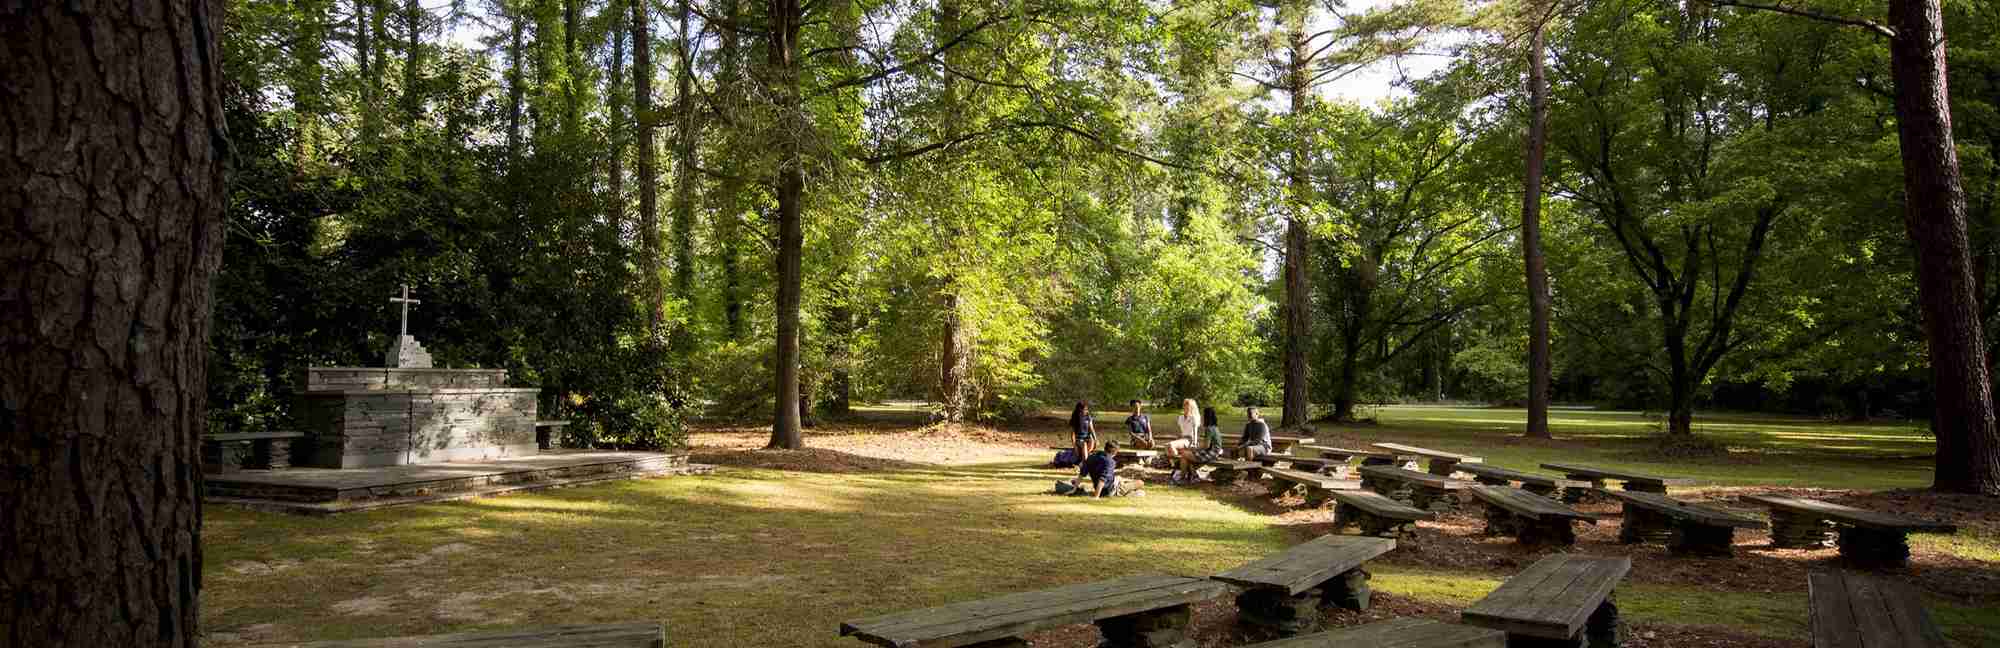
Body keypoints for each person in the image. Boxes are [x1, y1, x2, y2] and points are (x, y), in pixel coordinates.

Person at [1163, 399, 1200, 483]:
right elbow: (1180, 431)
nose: (1185, 407)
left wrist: (1194, 443)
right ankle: (1176, 464)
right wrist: (1178, 439)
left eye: (1187, 405)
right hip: (1182, 439)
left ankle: (1177, 468)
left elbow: (1195, 432)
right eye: (1184, 405)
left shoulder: (1194, 418)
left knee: (1171, 445)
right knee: (1166, 446)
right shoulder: (1181, 417)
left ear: (1191, 407)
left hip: (1189, 439)